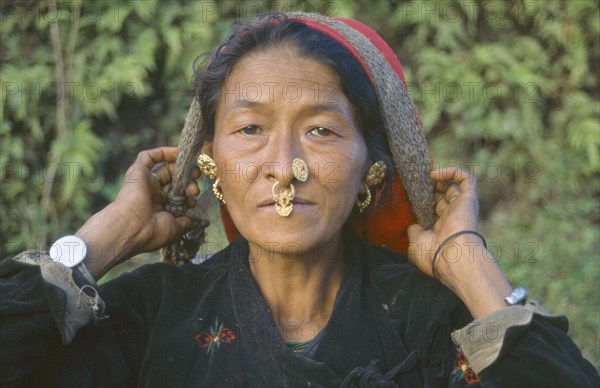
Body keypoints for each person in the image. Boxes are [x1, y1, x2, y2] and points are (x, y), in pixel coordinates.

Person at [1, 12, 598, 387]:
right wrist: (107, 238)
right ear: (210, 161)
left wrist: (468, 261)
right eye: (249, 130)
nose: (284, 169)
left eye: (320, 131)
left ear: (372, 167)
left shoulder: (429, 321)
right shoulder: (152, 316)